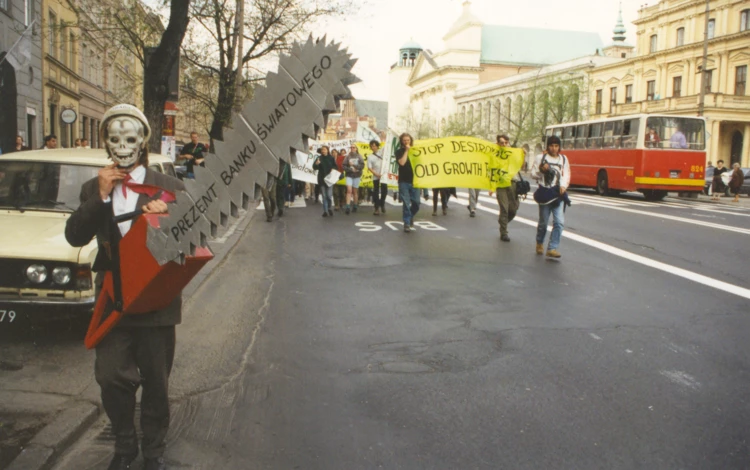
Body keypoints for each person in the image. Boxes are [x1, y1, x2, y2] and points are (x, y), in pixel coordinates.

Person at [64, 104, 183, 470]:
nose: (121, 145)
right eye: (113, 138)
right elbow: (75, 236)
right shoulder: (92, 187)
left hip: (157, 305)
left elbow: (191, 243)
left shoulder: (169, 187)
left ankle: (154, 452)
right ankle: (124, 446)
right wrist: (100, 197)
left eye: (129, 138)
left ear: (143, 140)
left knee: (156, 386)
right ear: (105, 142)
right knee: (111, 376)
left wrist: (166, 224)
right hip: (114, 303)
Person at [532, 135, 571, 259]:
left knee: (559, 222)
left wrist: (564, 186)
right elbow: (533, 174)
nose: (554, 148)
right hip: (545, 193)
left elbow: (566, 174)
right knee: (543, 222)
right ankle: (539, 242)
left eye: (556, 146)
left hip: (557, 194)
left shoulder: (563, 159)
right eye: (551, 146)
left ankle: (552, 248)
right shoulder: (541, 158)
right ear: (547, 146)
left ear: (559, 147)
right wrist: (541, 171)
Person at [396, 133, 420, 233]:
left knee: (416, 203)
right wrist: (407, 150)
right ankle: (406, 223)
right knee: (406, 203)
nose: (406, 142)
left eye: (408, 140)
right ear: (402, 141)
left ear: (411, 141)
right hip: (403, 181)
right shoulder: (399, 152)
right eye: (404, 140)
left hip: (415, 181)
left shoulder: (416, 151)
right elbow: (402, 163)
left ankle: (410, 216)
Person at [495, 135, 516, 242]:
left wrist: (522, 155)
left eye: (506, 142)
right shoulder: (494, 155)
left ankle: (502, 222)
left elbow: (519, 165)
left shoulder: (512, 153)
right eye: (502, 142)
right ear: (497, 143)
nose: (504, 144)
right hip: (500, 185)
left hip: (512, 184)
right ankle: (504, 232)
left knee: (513, 209)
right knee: (504, 208)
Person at [312, 145, 336, 217]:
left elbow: (335, 166)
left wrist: (333, 169)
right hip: (322, 179)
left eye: (325, 149)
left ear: (327, 150)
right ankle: (325, 211)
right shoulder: (319, 158)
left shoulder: (331, 158)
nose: (323, 151)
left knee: (329, 195)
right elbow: (314, 167)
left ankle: (329, 208)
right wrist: (317, 163)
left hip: (329, 179)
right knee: (324, 196)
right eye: (322, 150)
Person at [342, 144, 364, 214]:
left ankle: (355, 205)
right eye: (351, 147)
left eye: (353, 147)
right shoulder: (347, 157)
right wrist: (350, 169)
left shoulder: (359, 156)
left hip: (357, 175)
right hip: (349, 175)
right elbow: (343, 165)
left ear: (356, 149)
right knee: (349, 190)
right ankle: (348, 206)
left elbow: (362, 165)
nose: (352, 148)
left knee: (355, 191)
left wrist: (354, 166)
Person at [368, 140, 388, 215]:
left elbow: (387, 144)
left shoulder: (381, 152)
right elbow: (369, 168)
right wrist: (376, 174)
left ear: (377, 146)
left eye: (374, 145)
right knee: (375, 192)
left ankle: (382, 203)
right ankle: (376, 208)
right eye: (372, 146)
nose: (373, 147)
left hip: (383, 175)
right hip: (376, 176)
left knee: (384, 191)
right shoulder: (370, 157)